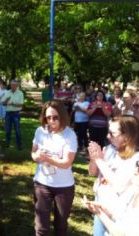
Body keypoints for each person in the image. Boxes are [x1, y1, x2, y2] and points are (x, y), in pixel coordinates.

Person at [87, 115, 139, 236]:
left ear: (127, 136)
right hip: (101, 202)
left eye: (112, 133)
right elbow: (93, 173)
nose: (107, 136)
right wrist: (94, 159)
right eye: (108, 132)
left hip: (119, 210)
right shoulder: (110, 149)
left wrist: (99, 160)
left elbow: (120, 185)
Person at [84, 152, 139, 236]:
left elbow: (122, 234)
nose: (135, 170)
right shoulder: (136, 191)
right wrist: (106, 210)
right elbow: (123, 219)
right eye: (137, 164)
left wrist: (100, 213)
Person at [31, 100, 78, 236]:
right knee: (41, 228)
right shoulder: (40, 131)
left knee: (61, 226)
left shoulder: (70, 135)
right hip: (42, 184)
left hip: (64, 187)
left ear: (62, 116)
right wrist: (37, 156)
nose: (51, 121)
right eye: (48, 117)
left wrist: (47, 159)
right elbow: (33, 153)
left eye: (55, 117)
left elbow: (67, 162)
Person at [2, 80, 24, 150]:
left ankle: (19, 145)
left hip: (16, 113)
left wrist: (12, 103)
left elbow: (21, 104)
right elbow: (3, 103)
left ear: (17, 86)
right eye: (12, 85)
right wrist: (6, 100)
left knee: (17, 130)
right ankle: (7, 144)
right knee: (8, 130)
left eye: (14, 85)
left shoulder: (20, 93)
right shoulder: (7, 92)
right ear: (10, 85)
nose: (13, 86)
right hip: (8, 113)